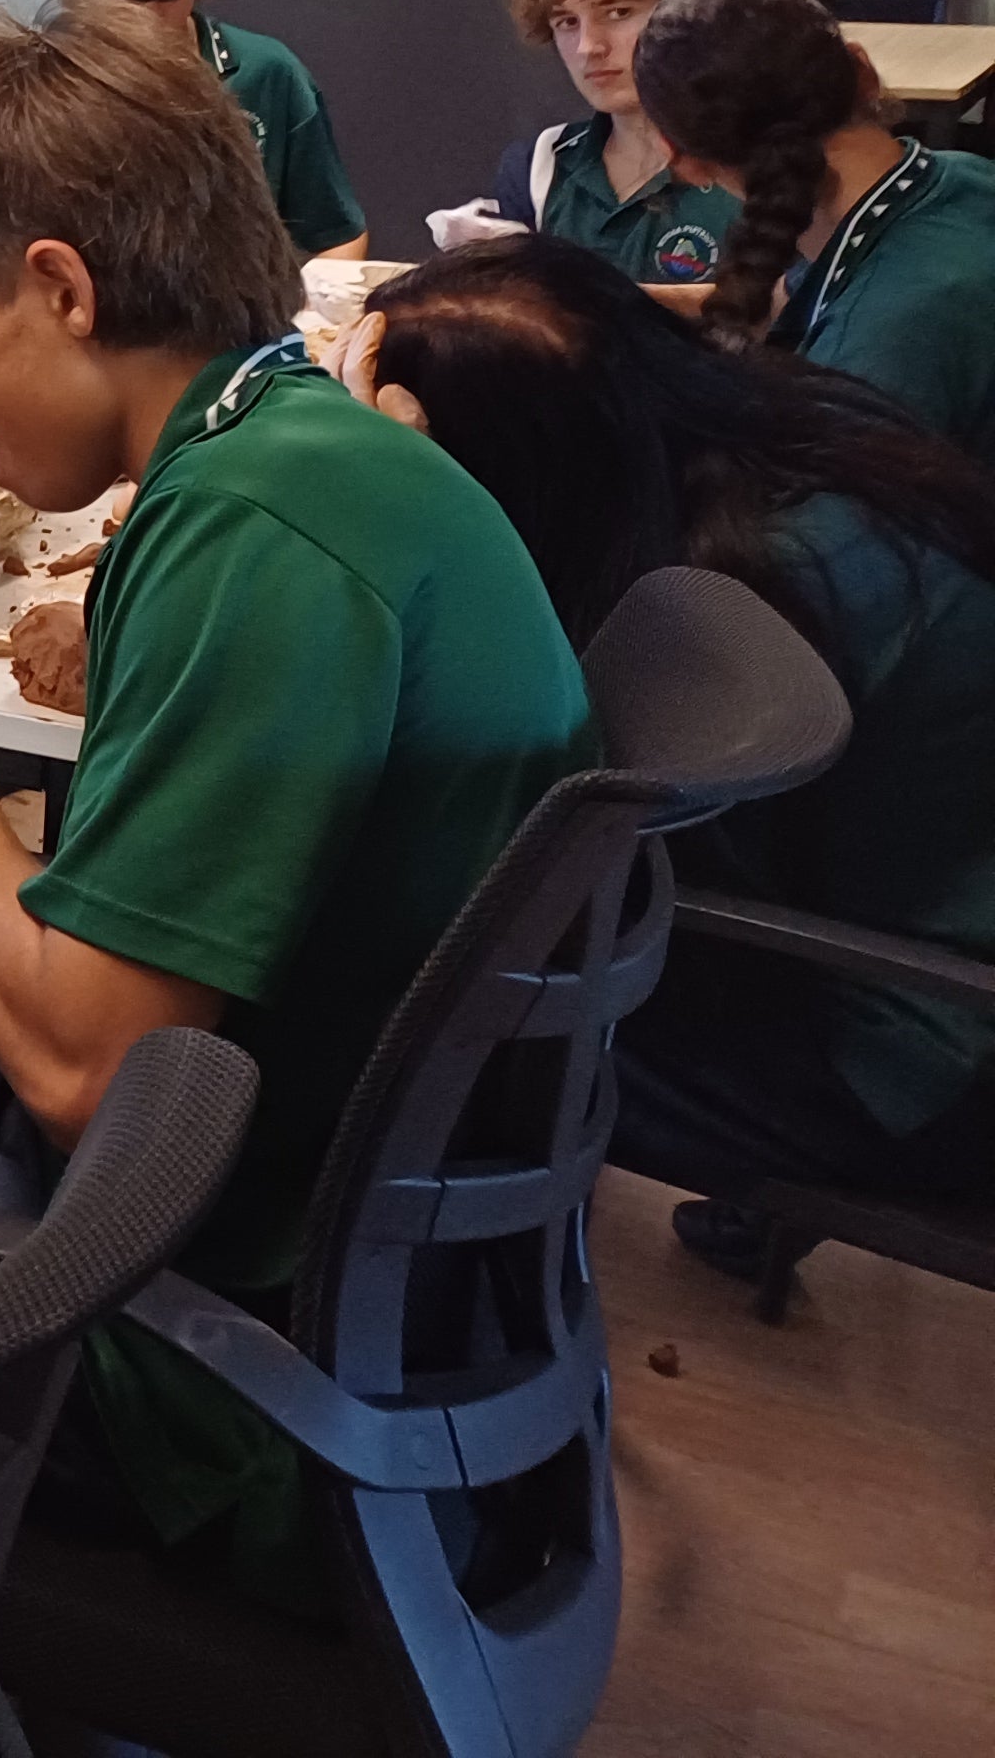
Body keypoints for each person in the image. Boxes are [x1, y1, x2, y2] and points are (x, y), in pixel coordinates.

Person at [0, 3, 587, 1597]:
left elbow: (90, 1079)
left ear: (61, 286)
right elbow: (138, 931)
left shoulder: (260, 538)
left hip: (212, 1356)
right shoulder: (288, 454)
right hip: (336, 1237)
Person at [331, 236, 995, 1261]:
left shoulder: (731, 607)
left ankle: (448, 1331)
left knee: (398, 1020)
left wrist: (397, 509)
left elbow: (515, 822)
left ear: (517, 465)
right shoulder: (768, 452)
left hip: (919, 1052)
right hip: (896, 926)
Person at [633, 0, 995, 471]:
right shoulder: (965, 179)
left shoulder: (879, 345)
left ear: (681, 159)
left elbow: (832, 542)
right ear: (863, 69)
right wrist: (619, 297)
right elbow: (787, 296)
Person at [54, 0, 366, 260]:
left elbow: (338, 236)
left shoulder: (267, 73)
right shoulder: (41, 88)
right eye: (128, 2)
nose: (149, 20)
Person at [487, 0, 748, 287]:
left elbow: (795, 317)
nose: (587, 47)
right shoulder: (541, 166)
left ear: (697, 14)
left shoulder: (764, 167)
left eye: (618, 12)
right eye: (567, 23)